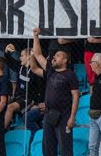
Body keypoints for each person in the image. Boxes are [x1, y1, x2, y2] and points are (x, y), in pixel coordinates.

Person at [30, 27, 79, 156]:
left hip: (63, 115)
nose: (54, 58)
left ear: (65, 60)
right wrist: (36, 36)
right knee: (48, 148)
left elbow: (75, 96)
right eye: (54, 55)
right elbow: (38, 54)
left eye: (58, 56)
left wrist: (72, 117)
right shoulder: (50, 72)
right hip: (48, 114)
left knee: (65, 149)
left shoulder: (70, 75)